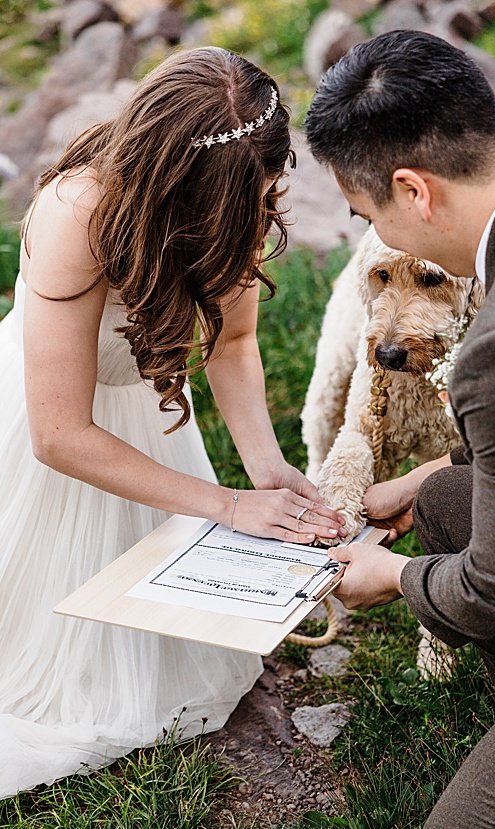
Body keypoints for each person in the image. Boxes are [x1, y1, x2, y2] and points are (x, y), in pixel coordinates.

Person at [0, 48, 344, 798]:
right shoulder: (76, 213)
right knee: (46, 668)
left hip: (147, 419)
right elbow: (59, 433)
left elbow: (236, 340)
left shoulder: (241, 187)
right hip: (47, 420)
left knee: (167, 651)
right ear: (183, 192)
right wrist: (226, 505)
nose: (267, 203)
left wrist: (265, 468)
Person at [302, 30, 495, 828]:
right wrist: (419, 480)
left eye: (368, 213)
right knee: (444, 495)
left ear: (413, 192)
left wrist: (395, 580)